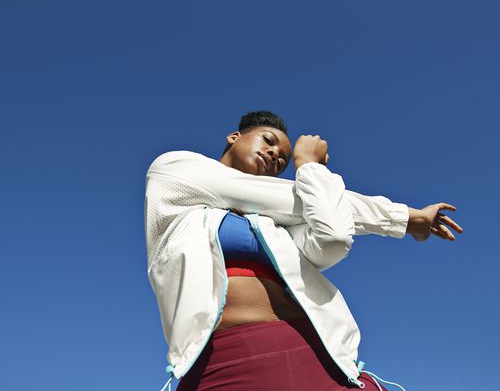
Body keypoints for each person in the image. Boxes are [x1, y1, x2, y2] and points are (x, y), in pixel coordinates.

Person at [144, 111, 462, 391]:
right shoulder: (174, 172)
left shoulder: (277, 227)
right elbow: (281, 197)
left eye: (283, 160)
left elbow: (335, 236)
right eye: (268, 141)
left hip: (315, 354)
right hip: (228, 358)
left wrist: (310, 169)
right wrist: (406, 217)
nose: (274, 156)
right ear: (234, 136)